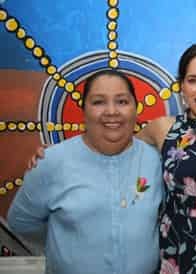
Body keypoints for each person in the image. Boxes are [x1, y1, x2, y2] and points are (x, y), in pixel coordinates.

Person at [25, 41, 196, 273]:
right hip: (179, 257)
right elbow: (112, 148)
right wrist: (56, 156)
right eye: (193, 80)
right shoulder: (163, 129)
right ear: (182, 86)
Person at [8, 69, 163, 274]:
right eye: (98, 102)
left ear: (136, 109)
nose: (111, 111)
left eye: (122, 101)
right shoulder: (52, 162)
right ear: (84, 111)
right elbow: (21, 222)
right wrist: (63, 242)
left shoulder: (155, 160)